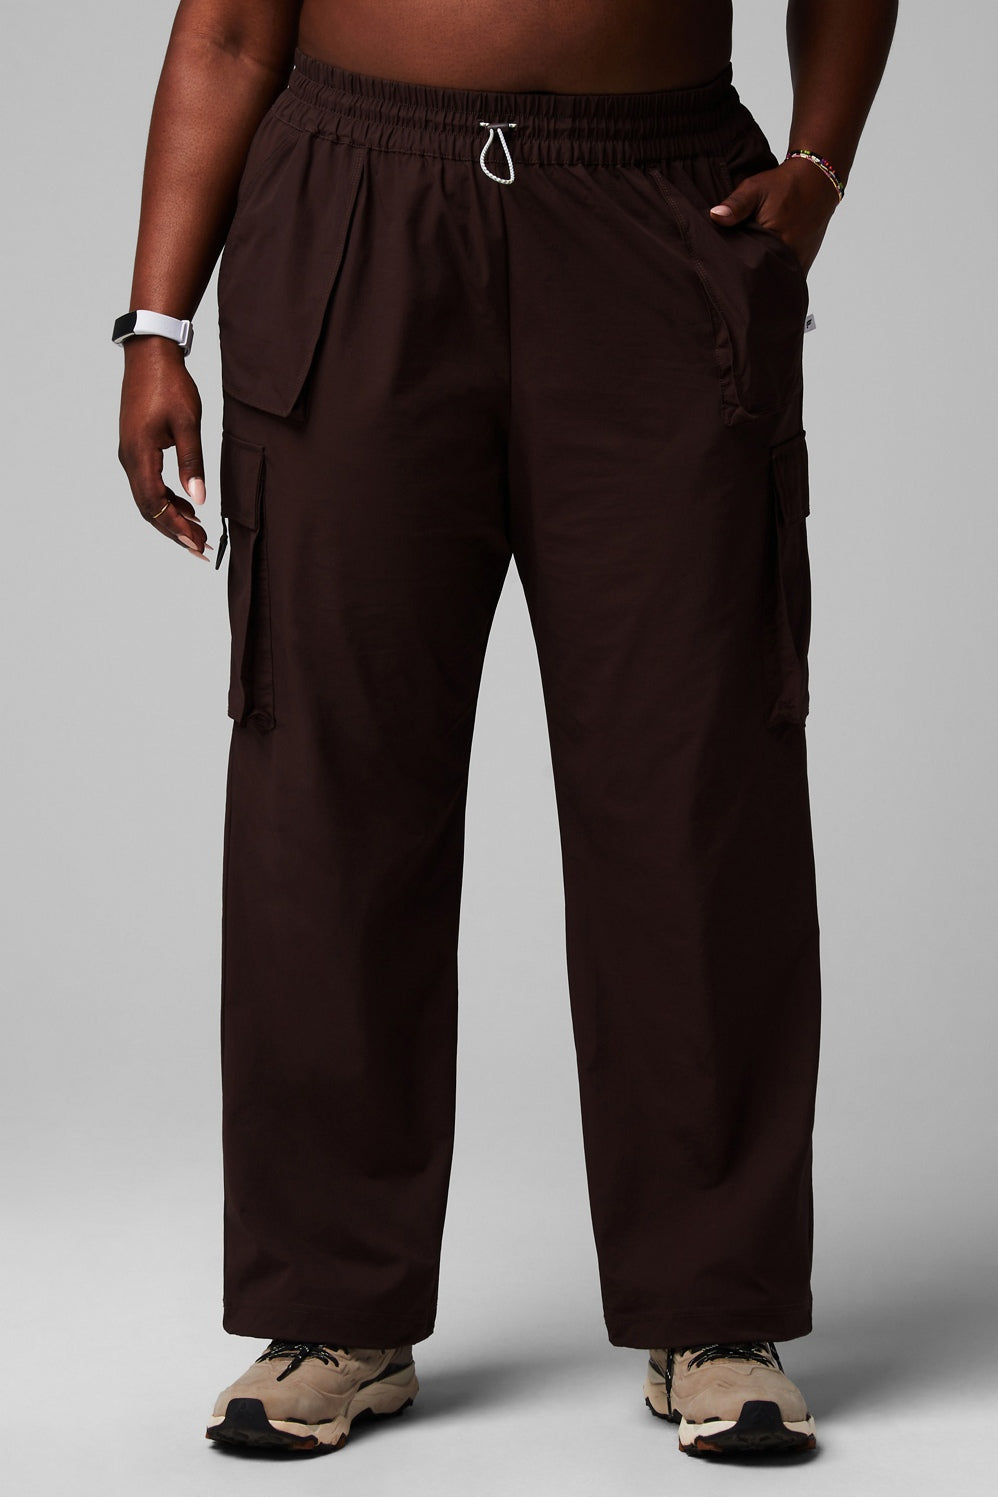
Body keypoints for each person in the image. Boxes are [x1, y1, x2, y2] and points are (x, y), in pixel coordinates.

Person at [115, 0, 897, 1461]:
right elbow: (227, 32)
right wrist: (157, 323)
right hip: (355, 206)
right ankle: (330, 1306)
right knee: (328, 783)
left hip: (659, 205)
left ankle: (715, 1306)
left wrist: (818, 166)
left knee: (693, 780)